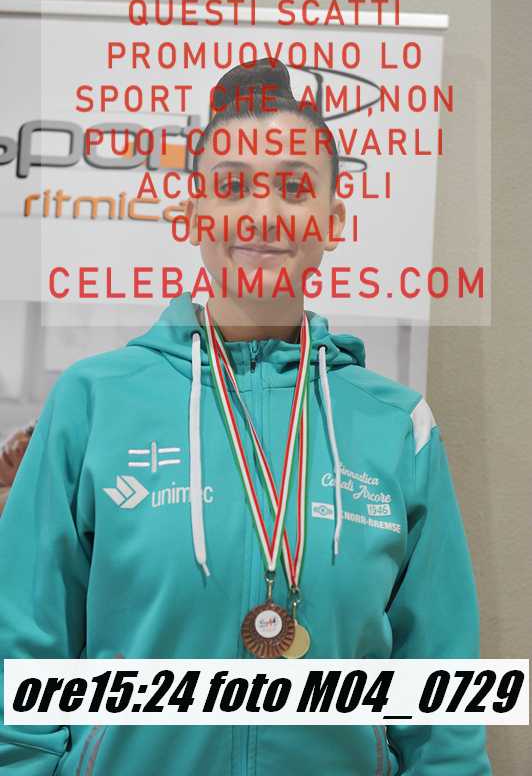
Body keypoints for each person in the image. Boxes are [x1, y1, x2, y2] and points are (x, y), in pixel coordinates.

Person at [0, 59, 492, 775]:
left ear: (333, 221)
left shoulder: (398, 428)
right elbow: (21, 658)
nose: (262, 213)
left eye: (293, 186)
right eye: (233, 186)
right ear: (192, 214)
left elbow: (443, 708)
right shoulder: (93, 403)